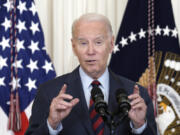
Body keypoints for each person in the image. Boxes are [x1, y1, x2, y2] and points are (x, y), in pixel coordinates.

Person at [25, 13, 157, 135]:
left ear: (111, 44)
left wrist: (139, 125)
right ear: (74, 46)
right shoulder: (49, 92)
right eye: (83, 43)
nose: (90, 51)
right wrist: (51, 124)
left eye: (98, 42)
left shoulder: (135, 94)